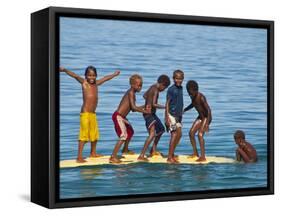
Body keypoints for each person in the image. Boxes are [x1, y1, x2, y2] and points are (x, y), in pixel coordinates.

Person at [60, 66, 120, 163]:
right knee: (84, 135)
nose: (91, 77)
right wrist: (65, 70)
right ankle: (79, 157)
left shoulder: (96, 84)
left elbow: (105, 78)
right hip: (85, 114)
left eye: (93, 75)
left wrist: (114, 74)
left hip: (93, 114)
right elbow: (74, 76)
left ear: (96, 76)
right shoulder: (84, 83)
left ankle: (93, 153)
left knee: (94, 134)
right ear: (86, 76)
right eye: (89, 75)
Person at [110, 74, 151, 163]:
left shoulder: (132, 93)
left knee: (130, 131)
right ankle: (113, 156)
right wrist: (145, 111)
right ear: (132, 85)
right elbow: (134, 107)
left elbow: (133, 109)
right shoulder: (131, 93)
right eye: (138, 85)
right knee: (123, 136)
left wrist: (144, 106)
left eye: (141, 85)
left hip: (122, 117)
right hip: (118, 116)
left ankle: (125, 149)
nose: (140, 87)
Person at [137, 75, 171, 161]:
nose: (163, 90)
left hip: (151, 113)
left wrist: (147, 102)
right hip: (149, 114)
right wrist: (165, 107)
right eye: (164, 88)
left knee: (161, 129)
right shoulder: (156, 90)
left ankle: (153, 150)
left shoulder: (152, 87)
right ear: (162, 85)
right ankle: (141, 155)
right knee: (152, 134)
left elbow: (144, 95)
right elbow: (154, 104)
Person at [184, 80, 212, 162]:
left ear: (196, 90)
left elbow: (209, 110)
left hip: (207, 117)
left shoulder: (201, 97)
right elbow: (193, 104)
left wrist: (207, 124)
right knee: (191, 133)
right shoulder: (192, 96)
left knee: (200, 135)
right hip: (200, 117)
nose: (190, 94)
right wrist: (185, 109)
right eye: (189, 93)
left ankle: (203, 157)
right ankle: (195, 153)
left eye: (192, 93)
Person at [165, 70, 184, 164]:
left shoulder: (181, 88)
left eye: (180, 78)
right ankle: (169, 157)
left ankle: (172, 154)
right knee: (174, 134)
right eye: (176, 78)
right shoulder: (171, 89)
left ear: (183, 79)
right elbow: (167, 103)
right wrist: (166, 117)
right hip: (171, 115)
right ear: (173, 78)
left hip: (178, 116)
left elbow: (180, 101)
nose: (178, 80)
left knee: (179, 134)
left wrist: (181, 115)